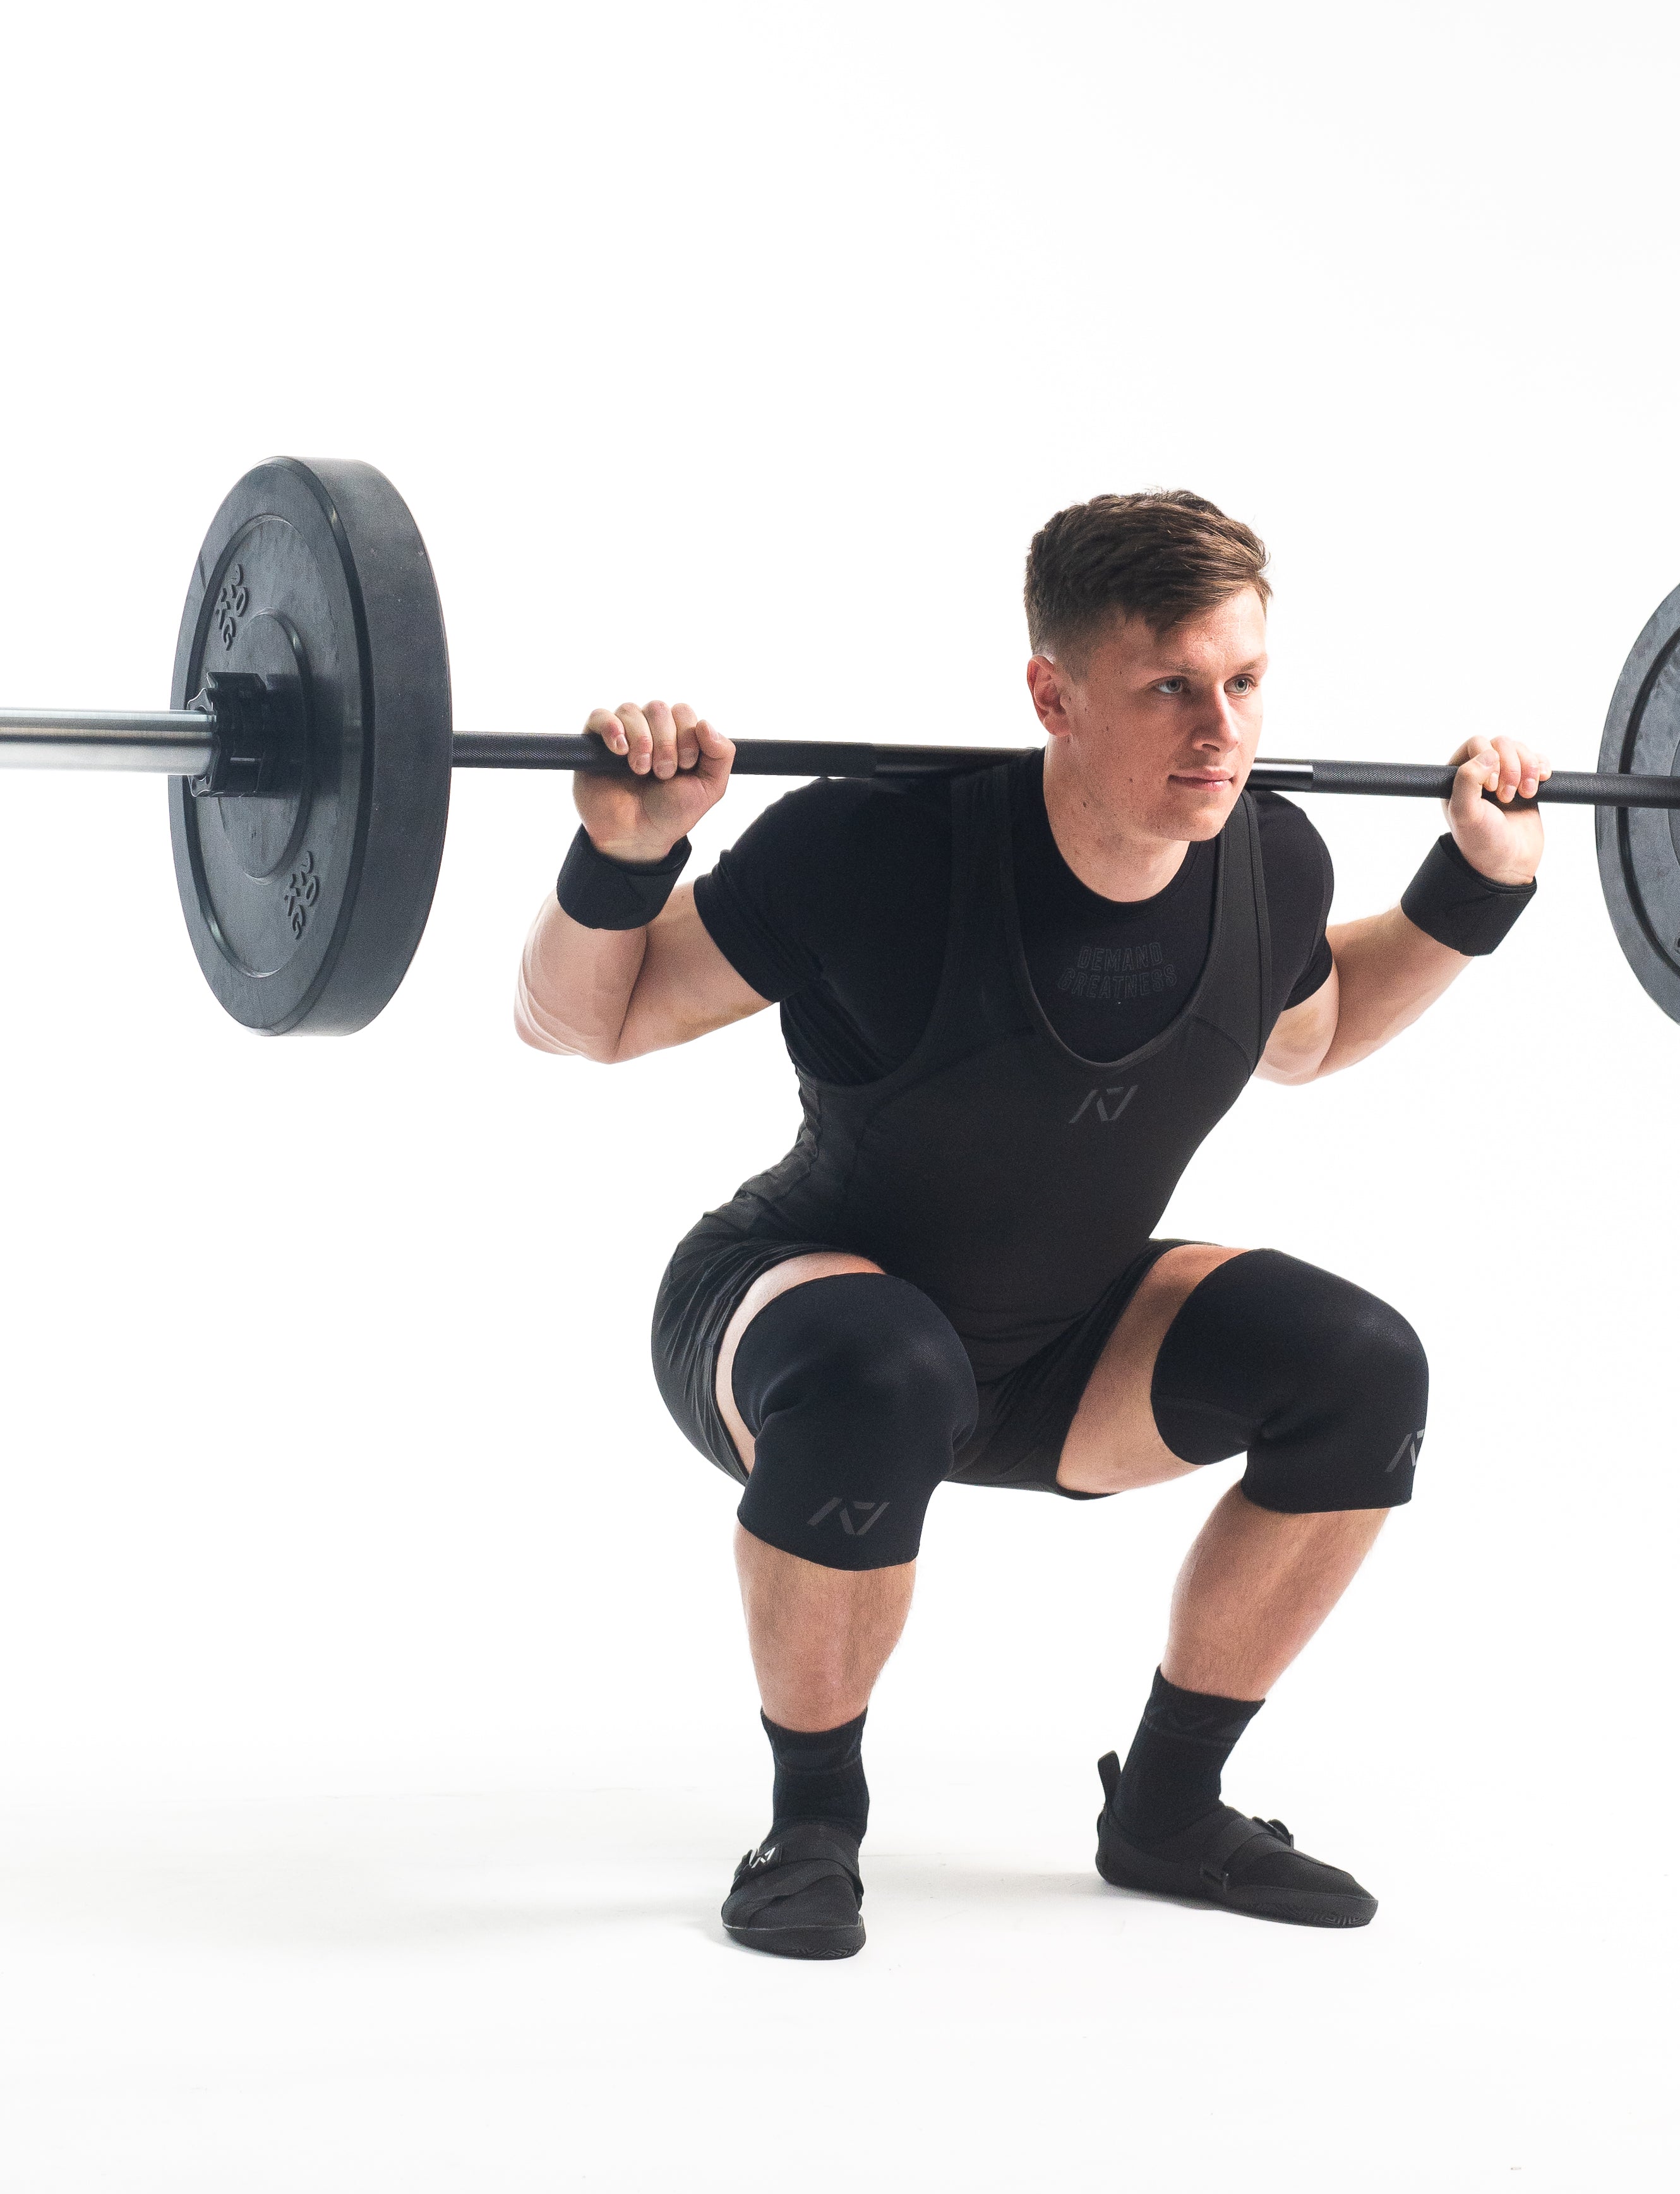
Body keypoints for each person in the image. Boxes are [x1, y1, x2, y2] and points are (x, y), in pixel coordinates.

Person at [515, 493, 1544, 1959]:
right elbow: (586, 1021)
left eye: (1245, 681)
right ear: (1051, 696)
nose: (1222, 730)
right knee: (889, 1367)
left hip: (1062, 1346)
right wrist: (622, 857)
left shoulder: (1268, 860)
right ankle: (811, 1826)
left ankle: (1168, 1811)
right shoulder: (878, 850)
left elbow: (1314, 1036)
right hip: (795, 1324)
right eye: (1170, 686)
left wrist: (1475, 884)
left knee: (1361, 1368)